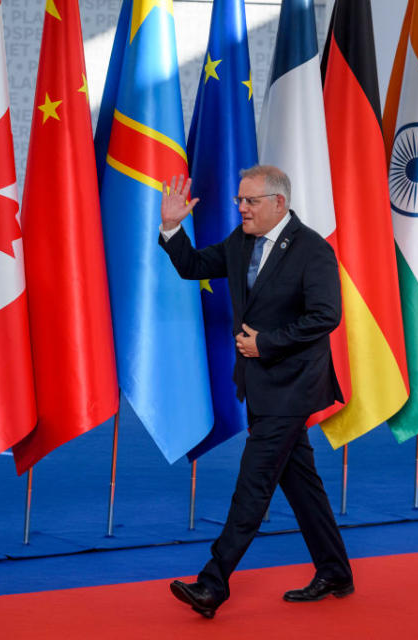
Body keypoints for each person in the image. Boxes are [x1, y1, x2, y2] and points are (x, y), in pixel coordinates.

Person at [159, 165, 353, 619]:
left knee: (254, 483)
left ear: (279, 203)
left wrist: (265, 343)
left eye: (250, 201)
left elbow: (327, 316)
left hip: (292, 386)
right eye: (239, 201)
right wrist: (172, 227)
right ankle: (336, 571)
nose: (241, 208)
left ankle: (213, 584)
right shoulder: (242, 240)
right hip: (260, 386)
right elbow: (193, 266)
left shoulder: (313, 250)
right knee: (300, 483)